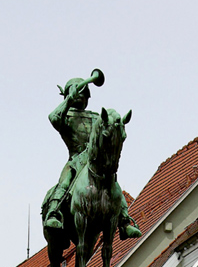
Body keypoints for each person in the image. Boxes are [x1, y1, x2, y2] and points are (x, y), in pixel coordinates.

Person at [43, 76, 140, 240]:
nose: (80, 95)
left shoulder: (96, 117)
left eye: (83, 92)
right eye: (76, 92)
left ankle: (124, 221)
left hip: (95, 161)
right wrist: (68, 101)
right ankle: (54, 213)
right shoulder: (66, 115)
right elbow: (53, 117)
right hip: (75, 160)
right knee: (65, 182)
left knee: (113, 185)